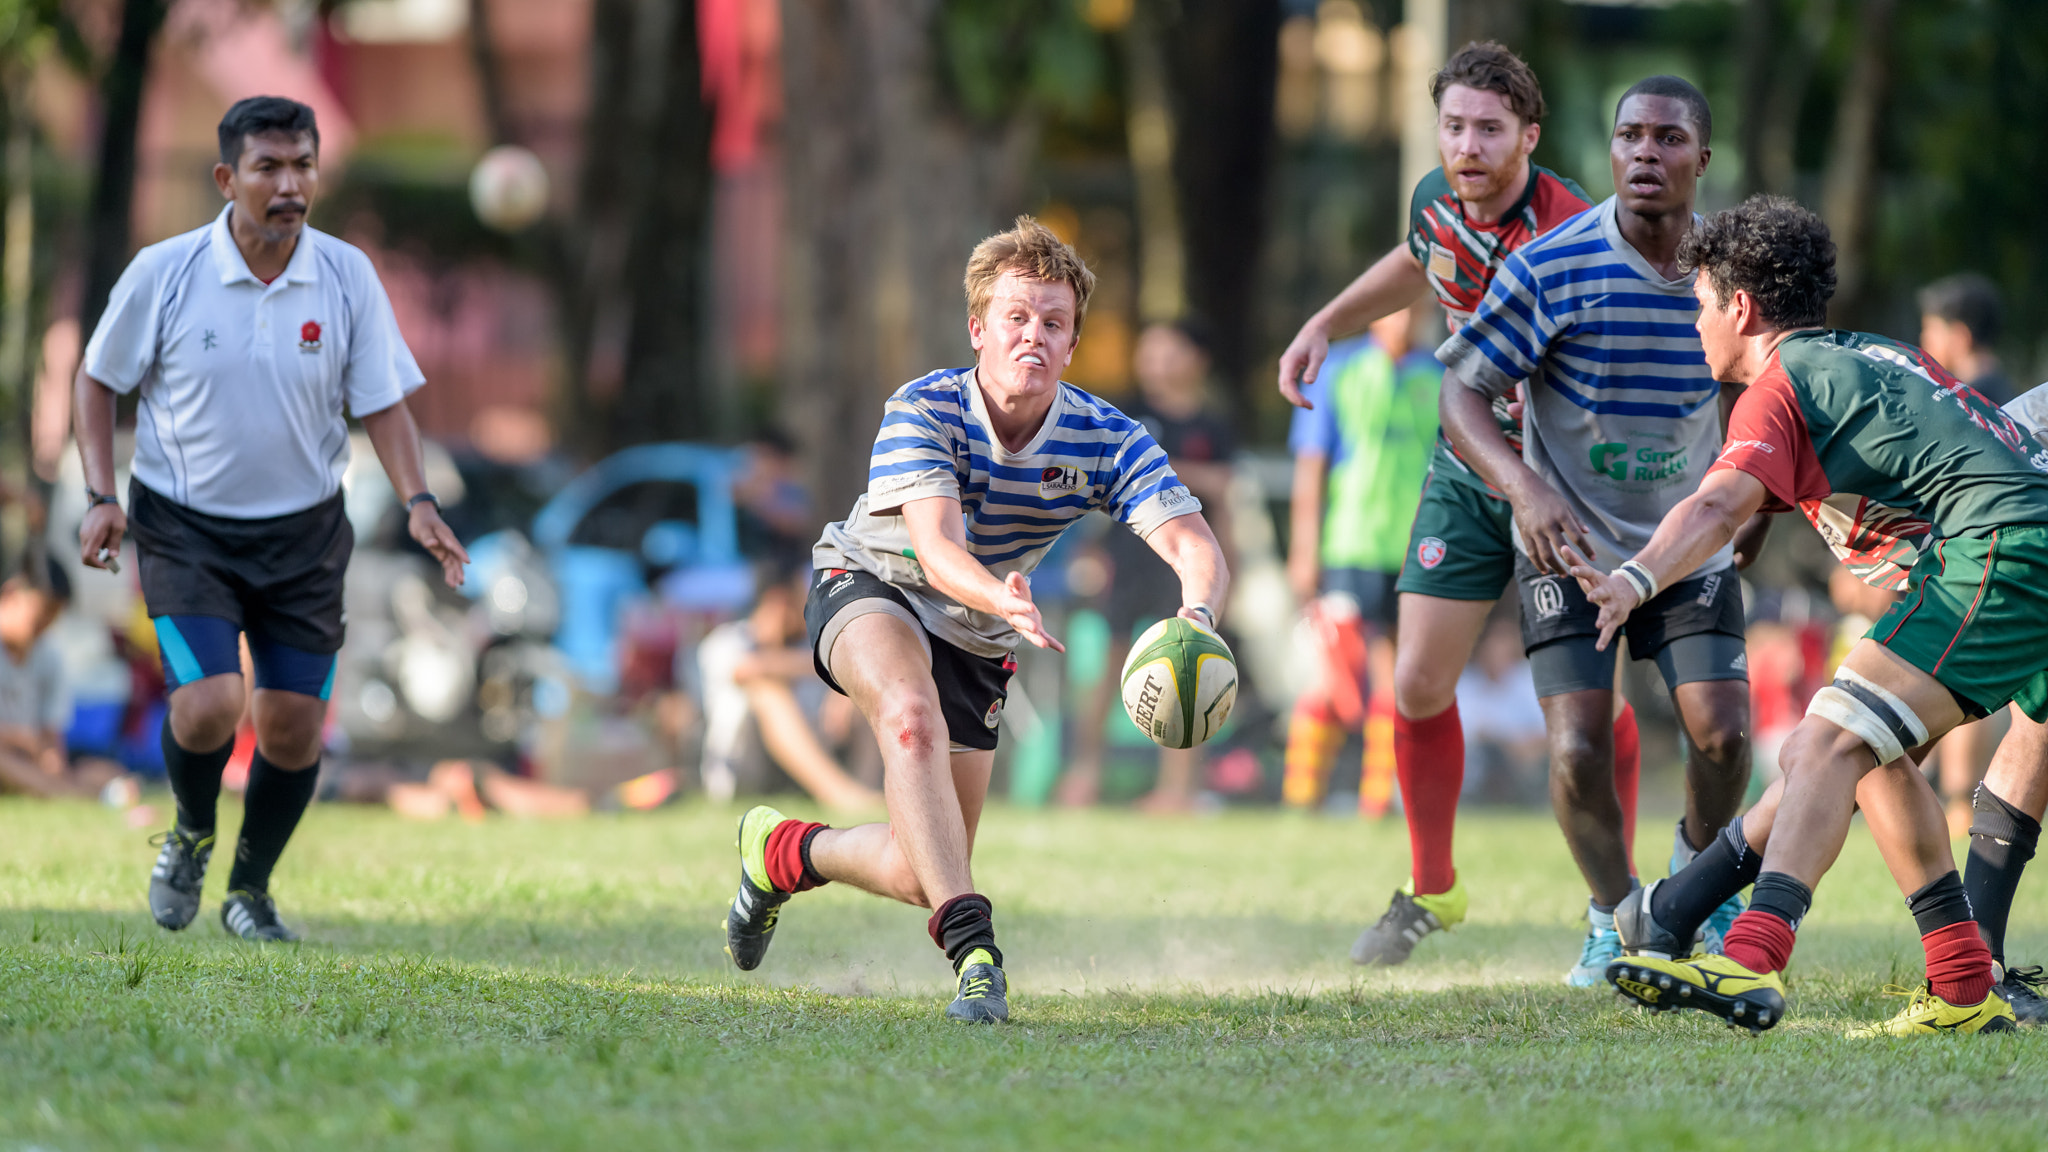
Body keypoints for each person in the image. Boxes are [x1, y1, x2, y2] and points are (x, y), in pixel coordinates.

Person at [722, 216, 1228, 1023]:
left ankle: (781, 851)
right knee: (909, 716)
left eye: (1054, 323)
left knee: (923, 868)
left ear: (1071, 343)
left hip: (981, 633)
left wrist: (1197, 614)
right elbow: (934, 548)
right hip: (874, 582)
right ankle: (976, 952)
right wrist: (1001, 595)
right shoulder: (924, 407)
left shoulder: (1107, 436)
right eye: (1017, 317)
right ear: (979, 329)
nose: (1035, 335)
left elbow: (1193, 543)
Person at [1590, 194, 2036, 1035]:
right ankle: (1962, 986)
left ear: (1741, 308)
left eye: (1699, 307)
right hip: (2014, 548)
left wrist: (1633, 579)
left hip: (2006, 552)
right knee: (1849, 749)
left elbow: (1718, 505)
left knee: (1831, 737)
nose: (1696, 327)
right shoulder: (1867, 356)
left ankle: (1750, 958)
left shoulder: (1779, 384)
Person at [1275, 40, 1640, 968]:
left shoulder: (1575, 231)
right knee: (1416, 684)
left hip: (1560, 486)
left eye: (1488, 129)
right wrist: (1325, 322)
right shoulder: (1437, 199)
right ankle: (1434, 885)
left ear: (1529, 137)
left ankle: (1621, 913)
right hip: (1466, 471)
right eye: (1453, 126)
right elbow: (1417, 260)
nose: (1467, 145)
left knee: (1586, 719)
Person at [75, 96, 468, 942]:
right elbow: (96, 379)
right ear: (227, 178)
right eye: (269, 167)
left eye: (303, 166)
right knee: (213, 704)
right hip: (185, 527)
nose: (290, 185)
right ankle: (189, 832)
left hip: (304, 535)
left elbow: (385, 404)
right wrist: (101, 496)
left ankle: (248, 890)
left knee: (291, 727)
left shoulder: (345, 274)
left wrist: (420, 501)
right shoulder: (165, 271)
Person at [1435, 76, 1762, 986]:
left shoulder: (1730, 277)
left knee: (1725, 736)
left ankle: (1698, 889)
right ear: (1609, 151)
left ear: (1703, 157)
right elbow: (1459, 390)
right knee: (1578, 747)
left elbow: (1760, 383)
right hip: (1569, 548)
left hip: (1686, 540)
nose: (1644, 154)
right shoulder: (1551, 266)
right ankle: (1614, 916)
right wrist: (1523, 490)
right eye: (1628, 137)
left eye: (1667, 139)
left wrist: (1754, 496)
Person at [1061, 319, 1235, 812]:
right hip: (1126, 557)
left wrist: (1230, 569)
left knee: (1188, 671)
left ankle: (1176, 789)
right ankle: (1083, 775)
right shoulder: (1127, 414)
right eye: (1148, 350)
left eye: (1168, 350)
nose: (1154, 360)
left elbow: (1225, 497)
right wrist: (1089, 549)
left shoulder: (1212, 424)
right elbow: (1098, 485)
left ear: (1196, 360)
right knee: (1108, 666)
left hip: (1184, 564)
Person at [1281, 305, 1439, 819]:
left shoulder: (1437, 375)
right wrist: (1304, 551)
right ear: (1374, 315)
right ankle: (1303, 790)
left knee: (1393, 670)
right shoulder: (1340, 371)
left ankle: (1378, 798)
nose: (1406, 319)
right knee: (1337, 673)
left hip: (1414, 550)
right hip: (1348, 545)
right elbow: (1312, 463)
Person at [1916, 274, 2014, 834]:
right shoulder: (1984, 392)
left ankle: (1958, 801)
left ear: (1959, 334)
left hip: (1986, 556)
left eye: (1931, 329)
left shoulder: (1986, 400)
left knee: (1964, 675)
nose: (1924, 341)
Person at [0, 558, 127, 801]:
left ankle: (61, 789)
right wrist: (20, 739)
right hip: (11, 754)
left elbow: (52, 735)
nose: (44, 626)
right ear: (11, 595)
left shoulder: (49, 654)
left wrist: (50, 758)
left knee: (108, 772)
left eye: (52, 617)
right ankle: (66, 794)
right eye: (40, 615)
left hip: (29, 759)